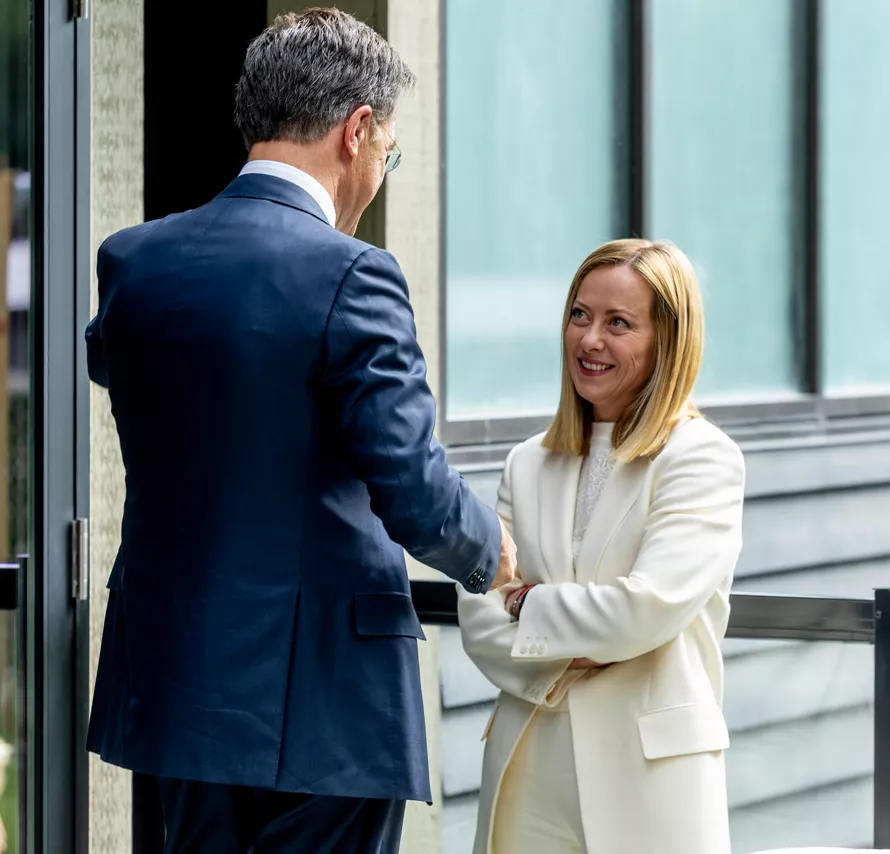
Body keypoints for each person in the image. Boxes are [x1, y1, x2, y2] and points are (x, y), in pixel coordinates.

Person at [85, 10, 515, 853]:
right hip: (323, 703)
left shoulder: (133, 261)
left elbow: (134, 380)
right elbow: (414, 488)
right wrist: (492, 550)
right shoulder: (353, 273)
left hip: (177, 684)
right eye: (390, 153)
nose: (382, 172)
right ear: (358, 132)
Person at [457, 239, 746, 854]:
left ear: (667, 340)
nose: (590, 340)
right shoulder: (527, 462)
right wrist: (585, 637)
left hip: (648, 780)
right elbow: (481, 618)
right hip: (528, 770)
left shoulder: (701, 458)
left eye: (619, 323)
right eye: (580, 315)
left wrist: (529, 608)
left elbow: (644, 609)